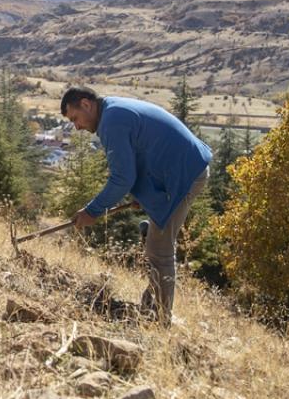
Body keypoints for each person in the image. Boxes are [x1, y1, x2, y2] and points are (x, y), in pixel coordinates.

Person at [62, 86, 211, 325]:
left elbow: (122, 178)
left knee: (160, 250)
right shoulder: (113, 111)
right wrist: (146, 194)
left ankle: (159, 321)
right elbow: (144, 152)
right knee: (156, 243)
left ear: (86, 104)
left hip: (185, 174)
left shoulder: (112, 122)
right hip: (181, 169)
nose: (77, 127)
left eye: (75, 118)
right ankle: (151, 307)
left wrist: (92, 210)